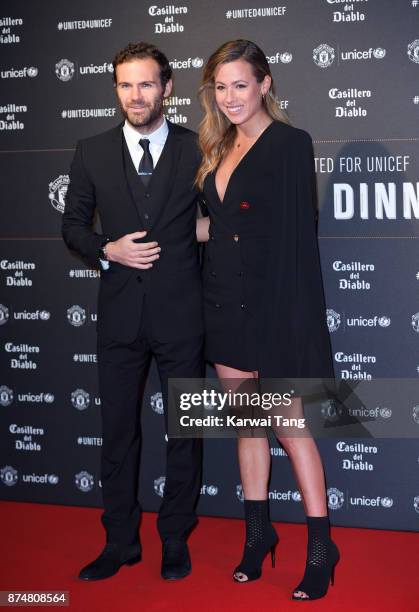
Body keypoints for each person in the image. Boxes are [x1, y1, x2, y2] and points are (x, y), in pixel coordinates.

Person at [195, 40, 339, 600]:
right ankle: (258, 536)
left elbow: (297, 238)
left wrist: (290, 322)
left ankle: (322, 550)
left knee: (292, 429)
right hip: (223, 306)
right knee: (247, 427)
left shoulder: (289, 144)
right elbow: (218, 227)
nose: (231, 98)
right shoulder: (217, 147)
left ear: (265, 84)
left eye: (241, 85)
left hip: (274, 309)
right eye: (221, 87)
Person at [62, 42, 204, 582]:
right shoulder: (91, 151)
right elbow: (72, 225)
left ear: (167, 88)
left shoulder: (200, 148)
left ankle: (175, 539)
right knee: (118, 432)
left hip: (183, 315)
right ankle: (120, 541)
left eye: (146, 84)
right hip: (120, 315)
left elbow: (218, 222)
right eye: (125, 84)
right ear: (116, 89)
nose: (135, 95)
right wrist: (107, 249)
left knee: (185, 432)